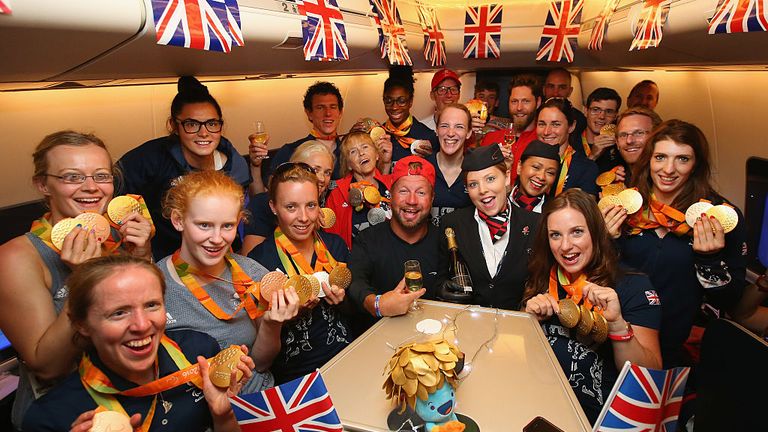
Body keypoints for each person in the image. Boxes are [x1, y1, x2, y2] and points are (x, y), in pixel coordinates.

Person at [0, 131, 153, 430]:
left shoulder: (118, 241)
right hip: (62, 412)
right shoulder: (16, 258)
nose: (92, 187)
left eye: (101, 175)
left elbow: (146, 323)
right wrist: (84, 279)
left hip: (129, 397)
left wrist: (143, 258)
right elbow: (47, 367)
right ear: (43, 184)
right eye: (73, 177)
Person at [23, 255, 253, 432]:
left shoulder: (199, 351)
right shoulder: (51, 417)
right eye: (119, 313)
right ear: (81, 324)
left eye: (152, 305)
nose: (142, 325)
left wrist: (223, 416)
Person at [609, 119, 747, 369]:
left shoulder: (718, 217)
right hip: (617, 336)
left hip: (676, 346)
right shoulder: (625, 206)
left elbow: (732, 300)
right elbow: (601, 275)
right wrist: (607, 241)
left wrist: (710, 261)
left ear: (696, 165)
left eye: (682, 159)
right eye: (660, 157)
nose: (668, 169)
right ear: (648, 159)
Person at [522, 189, 661, 423]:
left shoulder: (632, 286)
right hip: (541, 408)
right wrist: (528, 320)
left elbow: (649, 376)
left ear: (596, 233)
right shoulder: (541, 277)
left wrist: (617, 325)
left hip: (600, 420)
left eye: (577, 232)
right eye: (555, 235)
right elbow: (527, 355)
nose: (565, 246)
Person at [159, 170, 300, 393]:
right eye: (204, 225)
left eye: (227, 226)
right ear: (178, 220)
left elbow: (261, 364)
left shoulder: (251, 273)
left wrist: (273, 324)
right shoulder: (155, 286)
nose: (217, 239)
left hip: (255, 402)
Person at [118, 76, 252, 260]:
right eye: (192, 124)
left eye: (212, 124)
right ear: (174, 126)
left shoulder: (235, 166)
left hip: (219, 255)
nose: (204, 132)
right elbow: (113, 190)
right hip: (163, 258)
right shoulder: (150, 159)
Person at [248, 162, 350, 384]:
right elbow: (260, 361)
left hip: (346, 358)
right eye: (291, 207)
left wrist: (342, 302)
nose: (304, 218)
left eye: (311, 205)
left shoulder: (335, 247)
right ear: (273, 207)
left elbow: (356, 314)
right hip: (296, 378)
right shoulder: (258, 263)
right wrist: (281, 320)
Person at [437, 145, 541, 309]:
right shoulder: (452, 224)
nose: (483, 190)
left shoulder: (536, 224)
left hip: (516, 326)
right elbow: (440, 275)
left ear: (507, 177)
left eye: (490, 179)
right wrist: (442, 288)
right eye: (473, 184)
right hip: (467, 324)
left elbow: (542, 282)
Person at [347, 156, 438, 334]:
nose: (411, 201)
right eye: (403, 191)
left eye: (421, 193)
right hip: (378, 341)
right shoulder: (367, 240)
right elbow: (355, 282)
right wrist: (377, 305)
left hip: (433, 338)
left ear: (432, 198)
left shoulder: (444, 241)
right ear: (390, 194)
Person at [242, 140, 335, 254]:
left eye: (328, 173)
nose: (322, 178)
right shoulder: (261, 204)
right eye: (315, 170)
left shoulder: (330, 201)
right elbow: (251, 265)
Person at [324, 132, 394, 248]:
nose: (361, 153)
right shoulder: (337, 195)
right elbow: (331, 241)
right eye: (353, 151)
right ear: (349, 165)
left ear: (377, 155)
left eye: (365, 147)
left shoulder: (393, 184)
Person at [267, 81, 345, 180]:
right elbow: (269, 192)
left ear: (340, 112)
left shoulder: (350, 152)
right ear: (309, 113)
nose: (328, 113)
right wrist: (255, 166)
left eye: (333, 107)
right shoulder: (290, 152)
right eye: (320, 107)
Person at [480, 74, 543, 185]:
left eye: (526, 101)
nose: (519, 108)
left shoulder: (543, 141)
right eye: (514, 101)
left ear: (537, 102)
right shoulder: (490, 139)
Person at [535, 97, 599, 197]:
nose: (546, 132)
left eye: (556, 124)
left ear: (571, 127)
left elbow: (586, 211)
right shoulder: (529, 160)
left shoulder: (586, 168)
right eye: (542, 124)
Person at [427, 103, 472, 226]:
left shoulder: (475, 171)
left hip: (464, 244)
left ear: (468, 133)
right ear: (437, 130)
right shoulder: (423, 168)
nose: (451, 133)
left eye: (459, 127)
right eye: (444, 126)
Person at [382, 66, 438, 163]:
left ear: (410, 101)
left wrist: (432, 158)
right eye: (389, 101)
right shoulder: (379, 135)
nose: (394, 107)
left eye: (401, 101)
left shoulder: (427, 136)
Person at [612, 107, 662, 186]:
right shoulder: (615, 179)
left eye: (639, 133)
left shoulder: (667, 179)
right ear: (617, 143)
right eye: (623, 135)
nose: (629, 141)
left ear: (657, 137)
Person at [542, 68, 587, 150]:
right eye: (551, 86)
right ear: (544, 89)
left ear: (570, 91)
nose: (555, 93)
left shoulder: (580, 120)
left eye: (562, 87)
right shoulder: (533, 116)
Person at [510, 140, 560, 213]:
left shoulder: (555, 211)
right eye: (536, 167)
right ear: (519, 167)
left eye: (550, 172)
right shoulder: (499, 202)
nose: (541, 177)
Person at [580, 87, 622, 172]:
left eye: (609, 112)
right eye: (595, 110)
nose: (601, 116)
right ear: (585, 111)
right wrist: (593, 155)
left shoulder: (620, 146)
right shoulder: (572, 144)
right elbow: (568, 183)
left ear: (616, 115)